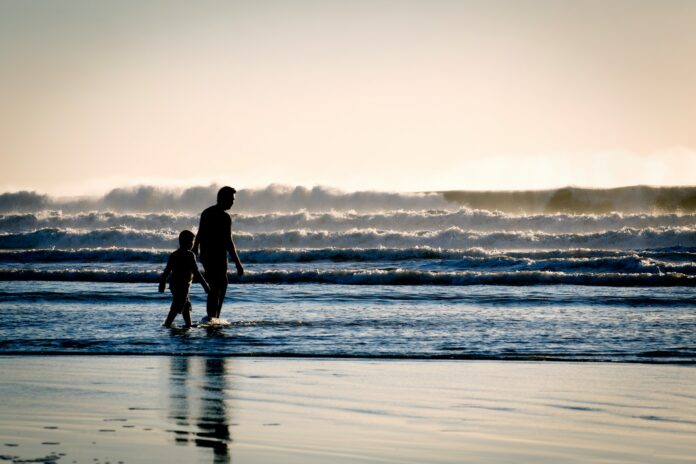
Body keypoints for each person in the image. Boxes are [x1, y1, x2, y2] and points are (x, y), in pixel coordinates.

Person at [192, 186, 244, 319]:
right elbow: (228, 241)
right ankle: (213, 316)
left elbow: (200, 232)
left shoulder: (207, 212)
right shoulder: (224, 217)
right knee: (217, 286)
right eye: (231, 199)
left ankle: (214, 315)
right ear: (223, 198)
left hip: (207, 255)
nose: (233, 202)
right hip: (217, 255)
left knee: (218, 285)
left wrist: (196, 247)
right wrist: (238, 264)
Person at [159, 230, 210, 328]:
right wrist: (205, 285)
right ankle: (167, 323)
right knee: (178, 304)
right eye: (191, 242)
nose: (192, 244)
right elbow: (196, 272)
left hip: (174, 284)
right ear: (183, 242)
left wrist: (162, 282)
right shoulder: (190, 255)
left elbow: (167, 271)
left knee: (185, 305)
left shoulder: (174, 254)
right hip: (182, 285)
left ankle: (188, 324)